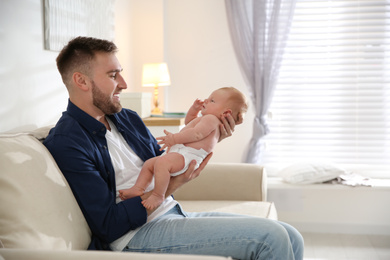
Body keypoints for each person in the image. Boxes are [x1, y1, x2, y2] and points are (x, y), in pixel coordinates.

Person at [44, 36, 304, 259]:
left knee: (292, 236)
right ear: (81, 81)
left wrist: (208, 139)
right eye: (113, 75)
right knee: (272, 238)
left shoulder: (127, 118)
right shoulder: (68, 142)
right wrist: (172, 187)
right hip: (135, 236)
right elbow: (108, 225)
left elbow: (167, 160)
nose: (124, 83)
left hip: (171, 213)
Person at [119, 87, 248, 210]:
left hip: (188, 156)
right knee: (150, 164)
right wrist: (194, 109)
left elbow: (197, 134)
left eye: (212, 101)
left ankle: (158, 195)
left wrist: (174, 139)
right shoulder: (206, 119)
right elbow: (189, 123)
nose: (206, 100)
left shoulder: (211, 120)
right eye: (208, 98)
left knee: (161, 164)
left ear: (226, 112)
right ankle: (138, 188)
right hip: (181, 154)